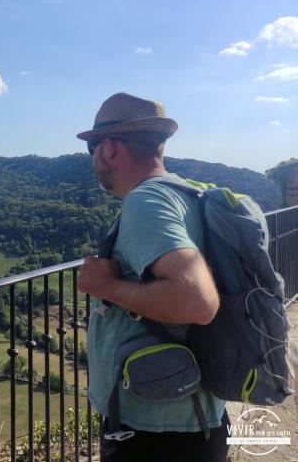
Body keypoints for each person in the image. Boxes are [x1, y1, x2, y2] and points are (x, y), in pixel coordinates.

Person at [75, 92, 230, 462]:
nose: (93, 158)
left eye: (92, 147)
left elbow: (198, 302)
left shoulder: (146, 203)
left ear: (110, 147)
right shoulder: (187, 194)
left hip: (156, 428)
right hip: (193, 413)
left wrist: (107, 286)